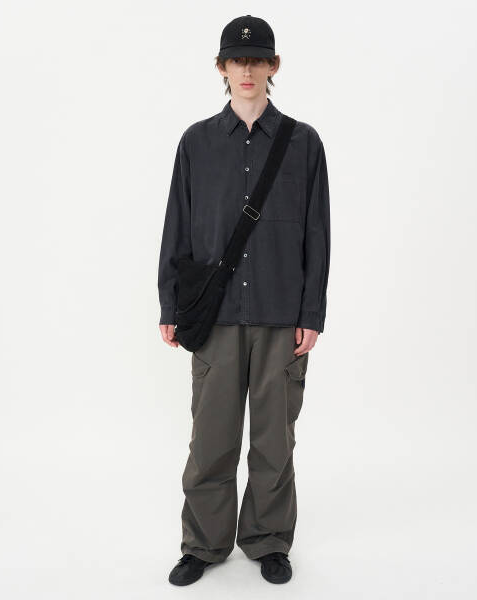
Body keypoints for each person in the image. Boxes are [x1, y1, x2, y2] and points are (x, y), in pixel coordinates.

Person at [157, 14, 331, 585]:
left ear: (274, 66)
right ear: (222, 67)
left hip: (283, 314)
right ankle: (203, 545)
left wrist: (311, 314)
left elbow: (317, 234)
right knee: (210, 440)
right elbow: (177, 226)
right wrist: (169, 305)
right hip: (215, 316)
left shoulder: (304, 143)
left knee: (274, 441)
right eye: (237, 60)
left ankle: (268, 539)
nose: (247, 69)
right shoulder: (196, 142)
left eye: (257, 60)